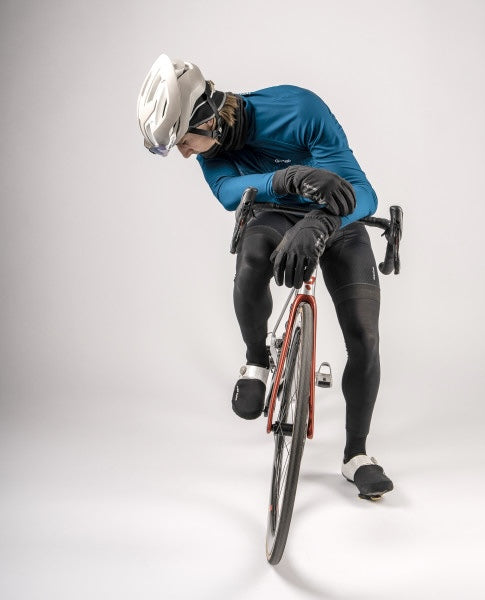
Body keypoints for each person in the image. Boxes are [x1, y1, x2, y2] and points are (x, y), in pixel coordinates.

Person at [137, 54, 393, 498]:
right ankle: (257, 362)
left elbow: (364, 193)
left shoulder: (299, 109)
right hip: (274, 215)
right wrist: (290, 177)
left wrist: (323, 222)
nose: (184, 152)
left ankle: (357, 455)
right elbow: (229, 194)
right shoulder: (212, 149)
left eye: (183, 140)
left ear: (207, 116)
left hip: (338, 219)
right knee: (253, 255)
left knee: (365, 336)